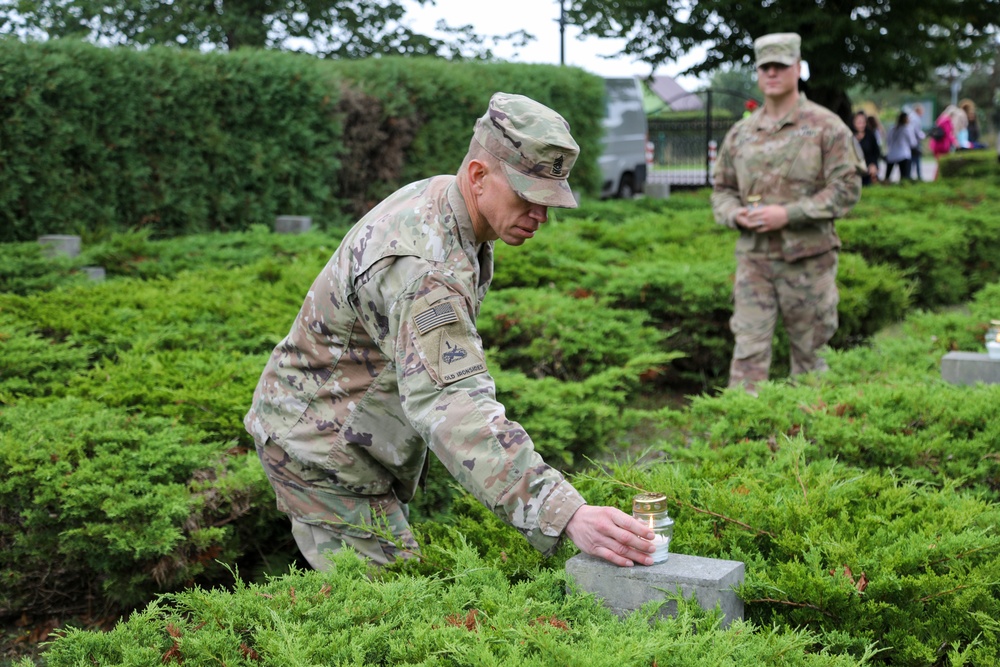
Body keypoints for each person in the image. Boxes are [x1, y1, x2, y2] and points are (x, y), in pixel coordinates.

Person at [244, 92, 658, 570]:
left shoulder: (451, 201)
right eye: (527, 196)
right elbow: (452, 403)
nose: (541, 217)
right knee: (392, 613)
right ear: (479, 175)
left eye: (550, 202)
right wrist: (565, 513)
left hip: (344, 437)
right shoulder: (426, 270)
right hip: (317, 453)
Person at [711, 32, 863, 394]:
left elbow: (847, 189)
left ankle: (809, 442)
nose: (772, 73)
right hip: (754, 262)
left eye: (780, 65)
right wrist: (736, 215)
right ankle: (743, 441)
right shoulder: (741, 133)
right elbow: (722, 190)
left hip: (808, 262)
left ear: (798, 68)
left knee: (811, 359)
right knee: (747, 356)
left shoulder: (826, 126)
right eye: (765, 66)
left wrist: (789, 213)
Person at [853, 110, 881, 186]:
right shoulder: (849, 135)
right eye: (858, 122)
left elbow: (876, 152)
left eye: (863, 122)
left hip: (867, 170)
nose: (861, 125)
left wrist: (874, 165)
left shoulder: (870, 135)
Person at [884, 111, 913, 183]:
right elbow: (913, 142)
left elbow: (888, 141)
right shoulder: (906, 129)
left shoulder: (892, 129)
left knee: (887, 175)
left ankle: (885, 184)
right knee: (904, 177)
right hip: (903, 154)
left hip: (892, 154)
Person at [907, 105, 926, 181]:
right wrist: (922, 136)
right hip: (915, 142)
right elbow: (915, 131)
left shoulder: (911, 117)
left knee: (913, 160)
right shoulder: (915, 118)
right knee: (916, 159)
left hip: (911, 142)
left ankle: (911, 175)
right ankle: (918, 175)